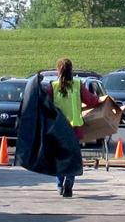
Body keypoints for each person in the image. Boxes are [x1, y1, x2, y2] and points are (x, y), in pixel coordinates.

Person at [44, 57, 105, 197]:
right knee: (72, 158)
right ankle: (69, 183)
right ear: (71, 70)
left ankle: (60, 184)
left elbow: (46, 105)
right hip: (74, 128)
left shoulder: (53, 86)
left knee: (59, 157)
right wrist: (100, 100)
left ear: (58, 70)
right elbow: (91, 100)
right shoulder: (78, 84)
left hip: (58, 128)